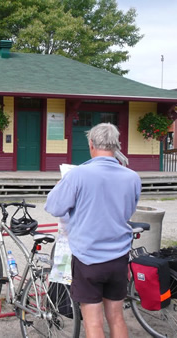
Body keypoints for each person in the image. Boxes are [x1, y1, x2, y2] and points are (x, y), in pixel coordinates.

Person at [45, 123, 141, 338]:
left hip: (88, 258)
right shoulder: (132, 177)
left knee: (93, 322)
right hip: (118, 257)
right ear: (116, 146)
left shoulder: (78, 175)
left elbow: (54, 207)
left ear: (91, 144)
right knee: (116, 317)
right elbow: (129, 210)